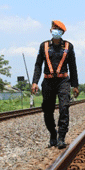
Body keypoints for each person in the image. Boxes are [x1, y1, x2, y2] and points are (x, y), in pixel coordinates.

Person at [31, 20, 79, 148]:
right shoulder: (44, 46)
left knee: (64, 108)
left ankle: (61, 137)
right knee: (47, 110)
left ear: (62, 32)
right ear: (50, 30)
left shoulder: (68, 46)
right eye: (53, 27)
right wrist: (34, 82)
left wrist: (75, 85)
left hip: (63, 81)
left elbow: (73, 67)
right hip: (48, 82)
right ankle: (53, 133)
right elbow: (38, 65)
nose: (55, 30)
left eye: (57, 28)